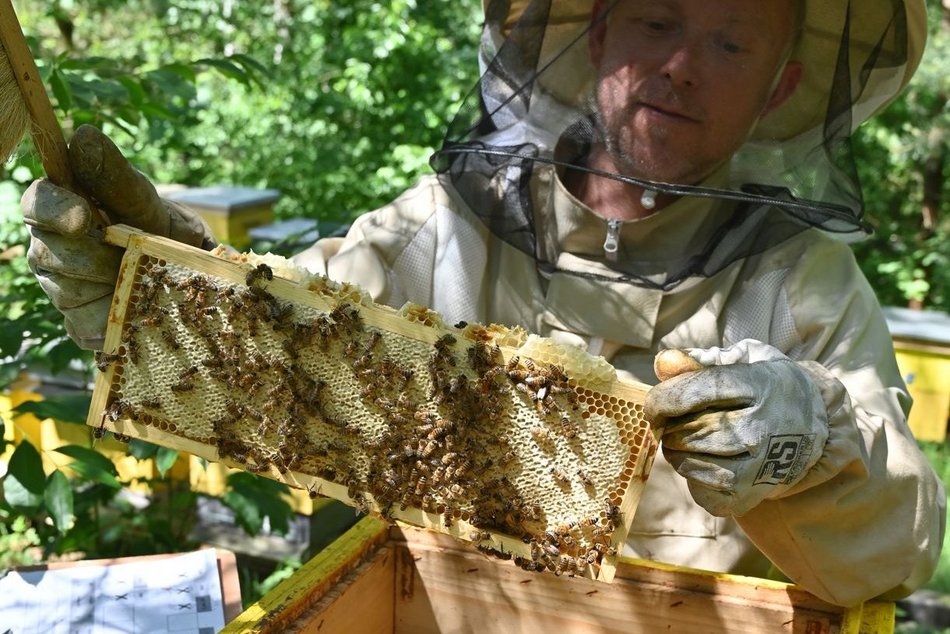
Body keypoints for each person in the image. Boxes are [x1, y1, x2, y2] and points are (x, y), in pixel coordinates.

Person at [21, 0, 944, 608]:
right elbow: (285, 339)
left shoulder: (806, 281)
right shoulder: (447, 227)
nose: (681, 67)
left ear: (780, 84)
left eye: (732, 42)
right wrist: (161, 291)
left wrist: (812, 451)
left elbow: (898, 553)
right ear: (597, 32)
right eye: (658, 17)